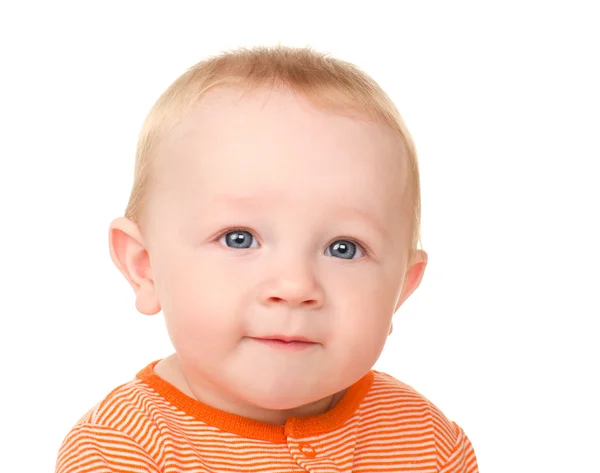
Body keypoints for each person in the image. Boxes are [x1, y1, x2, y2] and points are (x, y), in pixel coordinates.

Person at [56, 46, 478, 472]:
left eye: (344, 248)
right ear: (144, 266)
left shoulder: (426, 439)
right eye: (239, 239)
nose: (295, 286)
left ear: (400, 289)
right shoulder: (120, 449)